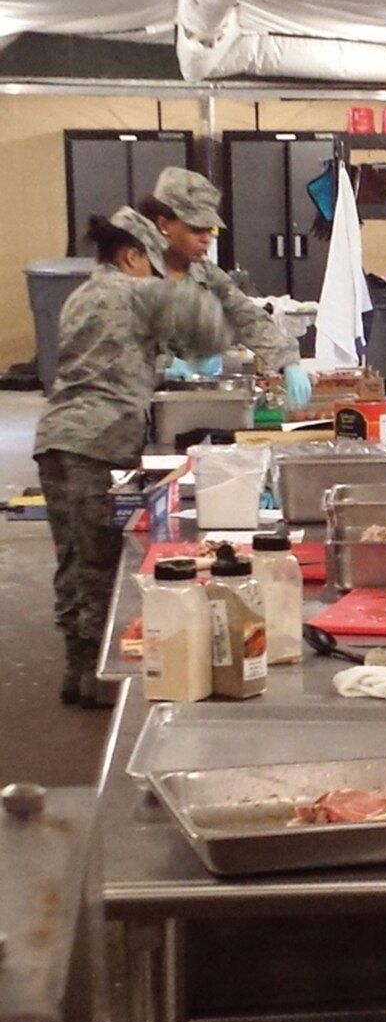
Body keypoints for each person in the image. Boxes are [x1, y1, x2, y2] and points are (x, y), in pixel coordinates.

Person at [33, 209, 231, 704]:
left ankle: (77, 667)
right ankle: (100, 677)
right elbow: (206, 322)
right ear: (132, 255)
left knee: (72, 558)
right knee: (100, 560)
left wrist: (162, 357)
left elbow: (110, 353)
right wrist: (212, 337)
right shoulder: (135, 290)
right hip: (98, 442)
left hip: (56, 436)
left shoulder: (81, 295)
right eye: (152, 262)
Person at [138, 167, 313, 410]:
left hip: (185, 407)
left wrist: (288, 361)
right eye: (196, 229)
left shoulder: (206, 274)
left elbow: (247, 318)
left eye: (209, 230)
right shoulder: (135, 273)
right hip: (136, 411)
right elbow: (111, 351)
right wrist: (164, 366)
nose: (206, 239)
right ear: (164, 224)